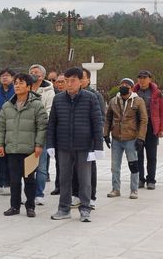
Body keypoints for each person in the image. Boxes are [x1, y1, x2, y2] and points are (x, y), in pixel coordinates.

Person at [47, 67, 103, 222]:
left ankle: (85, 209)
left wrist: (98, 147)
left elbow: (97, 123)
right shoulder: (58, 99)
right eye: (67, 81)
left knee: (85, 179)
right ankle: (64, 209)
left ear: (80, 81)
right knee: (64, 179)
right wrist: (50, 144)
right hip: (64, 146)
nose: (69, 84)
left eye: (73, 81)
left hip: (84, 146)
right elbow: (52, 123)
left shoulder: (90, 98)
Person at [0, 74, 48, 218]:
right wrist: (0, 144)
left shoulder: (37, 105)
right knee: (14, 180)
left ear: (29, 87)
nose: (17, 86)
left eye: (21, 83)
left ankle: (30, 207)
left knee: (29, 180)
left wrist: (39, 144)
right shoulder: (7, 106)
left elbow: (42, 127)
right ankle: (14, 206)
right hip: (12, 149)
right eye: (16, 83)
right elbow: (1, 127)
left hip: (30, 150)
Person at [104, 78, 147, 199]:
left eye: (127, 85)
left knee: (133, 165)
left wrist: (141, 138)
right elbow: (108, 119)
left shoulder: (138, 101)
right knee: (115, 166)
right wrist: (106, 134)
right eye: (122, 84)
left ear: (131, 88)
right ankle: (115, 189)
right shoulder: (113, 101)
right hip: (116, 138)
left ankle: (134, 190)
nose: (123, 86)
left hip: (131, 138)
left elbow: (144, 120)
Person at [71, 68, 106, 208]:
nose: (80, 80)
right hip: (74, 140)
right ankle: (76, 195)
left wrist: (96, 138)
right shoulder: (71, 94)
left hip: (89, 140)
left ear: (88, 80)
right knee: (74, 167)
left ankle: (91, 197)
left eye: (83, 77)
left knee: (90, 169)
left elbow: (100, 118)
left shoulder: (95, 96)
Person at [132, 70, 163, 189]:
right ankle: (140, 179)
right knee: (139, 155)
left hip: (152, 127)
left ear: (150, 79)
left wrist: (162, 128)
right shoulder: (133, 92)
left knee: (152, 155)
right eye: (140, 77)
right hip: (138, 127)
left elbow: (162, 111)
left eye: (144, 77)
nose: (142, 80)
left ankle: (151, 180)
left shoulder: (157, 93)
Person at [29, 64, 55, 206]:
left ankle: (39, 193)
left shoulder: (49, 92)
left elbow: (49, 112)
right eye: (31, 72)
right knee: (27, 166)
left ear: (43, 76)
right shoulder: (24, 88)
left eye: (36, 73)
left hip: (41, 133)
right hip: (26, 134)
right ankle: (28, 192)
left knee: (41, 166)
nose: (34, 74)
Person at [0, 68, 16, 196]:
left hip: (14, 127)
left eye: (7, 76)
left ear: (12, 77)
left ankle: (10, 184)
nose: (5, 78)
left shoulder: (17, 90)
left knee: (11, 157)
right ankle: (0, 183)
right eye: (3, 76)